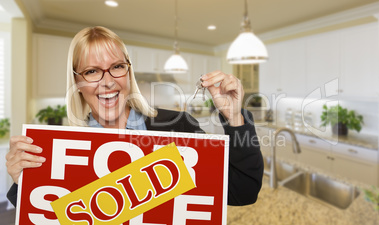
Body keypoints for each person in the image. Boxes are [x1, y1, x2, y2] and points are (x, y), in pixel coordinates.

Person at [6, 26, 263, 207]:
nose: (108, 82)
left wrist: (234, 117)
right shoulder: (60, 150)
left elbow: (244, 190)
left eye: (117, 67)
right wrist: (25, 183)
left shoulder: (179, 127)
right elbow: (48, 214)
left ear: (128, 72)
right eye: (93, 71)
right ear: (76, 80)